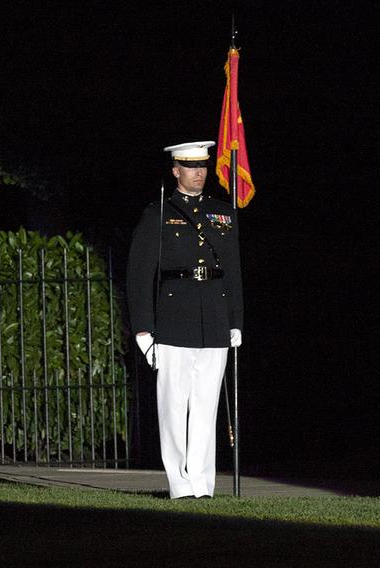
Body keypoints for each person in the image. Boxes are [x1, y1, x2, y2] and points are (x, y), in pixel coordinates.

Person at [126, 141, 243, 499]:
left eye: (203, 167)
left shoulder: (222, 213)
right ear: (175, 170)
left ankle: (202, 484)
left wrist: (235, 320)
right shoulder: (158, 213)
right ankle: (179, 483)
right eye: (191, 167)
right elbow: (140, 273)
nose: (199, 173)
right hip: (175, 318)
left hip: (215, 318)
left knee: (206, 407)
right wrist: (144, 329)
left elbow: (233, 272)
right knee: (174, 407)